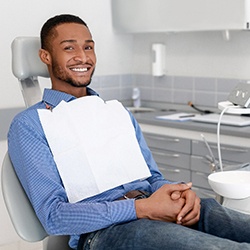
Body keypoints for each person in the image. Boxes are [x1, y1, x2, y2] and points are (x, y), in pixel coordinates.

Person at [7, 14, 250, 250]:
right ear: (45, 56)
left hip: (153, 209)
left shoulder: (116, 112)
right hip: (106, 232)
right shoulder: (30, 124)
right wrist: (142, 209)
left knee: (221, 216)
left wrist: (178, 194)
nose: (83, 57)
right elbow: (54, 216)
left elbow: (153, 179)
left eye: (89, 48)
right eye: (69, 48)